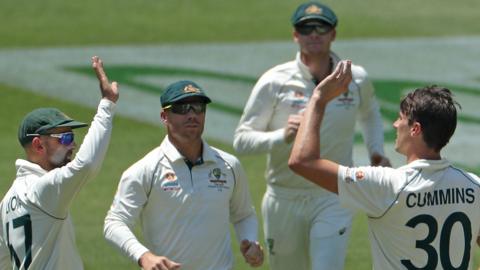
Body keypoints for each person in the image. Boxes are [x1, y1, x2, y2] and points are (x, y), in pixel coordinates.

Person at [233, 2, 390, 269]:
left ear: (334, 34)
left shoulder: (355, 78)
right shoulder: (274, 81)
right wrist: (282, 136)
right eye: (306, 28)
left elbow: (370, 113)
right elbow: (242, 140)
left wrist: (376, 151)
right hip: (284, 196)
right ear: (295, 35)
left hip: (334, 194)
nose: (314, 33)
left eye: (322, 27)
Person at [289, 60, 480, 269]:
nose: (395, 125)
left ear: (415, 129)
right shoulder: (474, 186)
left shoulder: (386, 186)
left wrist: (318, 99)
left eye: (400, 118)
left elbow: (302, 161)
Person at [103, 80, 263, 270]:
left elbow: (243, 214)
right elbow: (114, 223)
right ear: (164, 116)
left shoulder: (229, 165)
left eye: (198, 107)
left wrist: (250, 242)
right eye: (182, 108)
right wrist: (144, 256)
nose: (192, 114)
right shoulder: (145, 170)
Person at [0, 56, 119, 269]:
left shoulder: (8, 202)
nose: (72, 145)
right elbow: (86, 165)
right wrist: (107, 104)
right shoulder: (42, 191)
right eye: (65, 138)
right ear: (38, 145)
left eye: (72, 137)